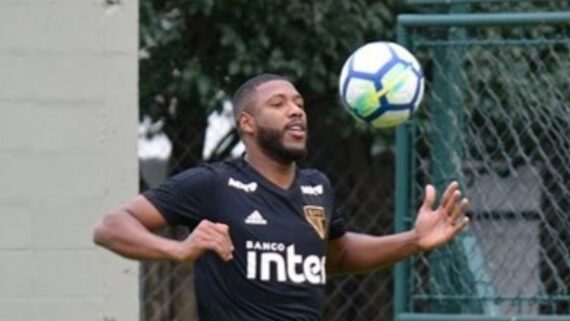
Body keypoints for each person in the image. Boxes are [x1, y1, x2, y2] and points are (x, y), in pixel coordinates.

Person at [93, 74, 470, 321]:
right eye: (278, 104)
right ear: (247, 124)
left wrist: (414, 241)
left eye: (299, 104)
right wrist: (178, 250)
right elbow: (111, 228)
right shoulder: (213, 184)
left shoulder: (317, 187)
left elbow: (336, 255)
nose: (295, 111)